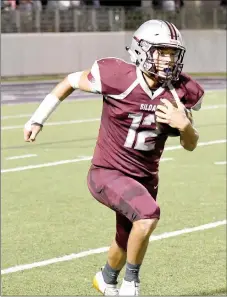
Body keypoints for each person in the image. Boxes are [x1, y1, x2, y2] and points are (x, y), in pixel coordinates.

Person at [24, 19, 204, 296]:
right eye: (161, 51)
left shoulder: (180, 92)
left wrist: (185, 126)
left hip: (145, 177)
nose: (168, 59)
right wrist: (38, 119)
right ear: (141, 50)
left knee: (125, 237)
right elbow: (70, 81)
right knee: (147, 215)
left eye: (172, 53)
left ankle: (106, 279)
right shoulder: (117, 76)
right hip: (107, 171)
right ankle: (132, 285)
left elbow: (190, 145)